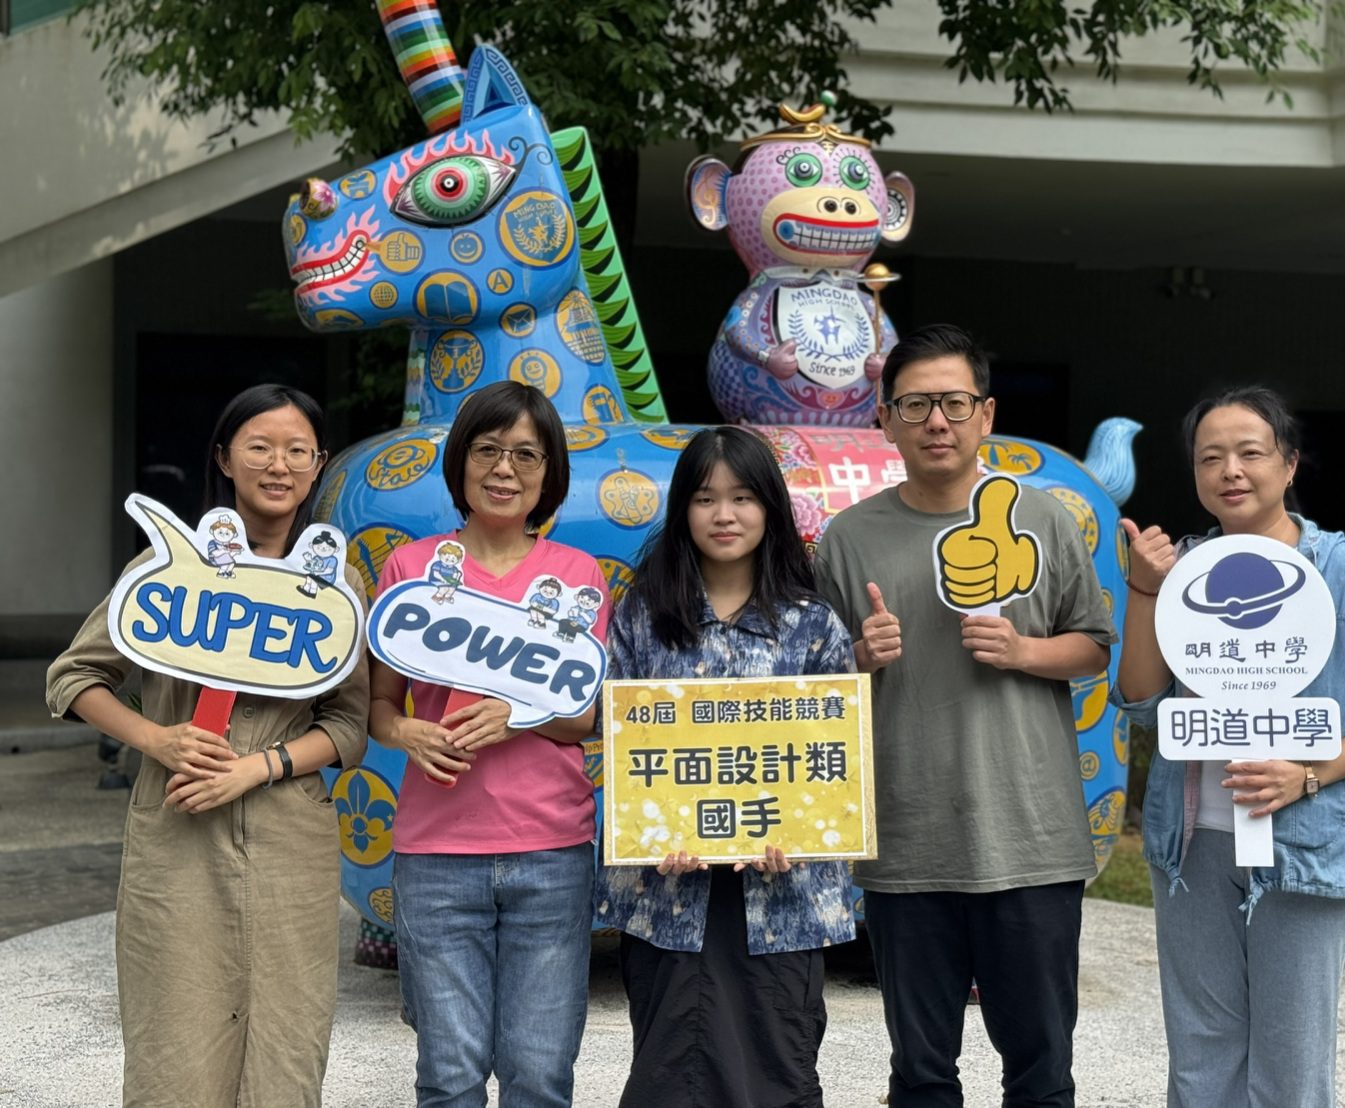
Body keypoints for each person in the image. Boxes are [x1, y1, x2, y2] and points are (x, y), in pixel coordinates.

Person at [813, 323, 1115, 1108]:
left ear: (985, 414)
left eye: (953, 402)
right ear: (884, 421)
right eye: (914, 405)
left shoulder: (1042, 518)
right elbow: (814, 689)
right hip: (906, 841)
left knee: (1041, 1074)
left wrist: (1022, 651)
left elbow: (1092, 647)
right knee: (920, 1075)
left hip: (1032, 839)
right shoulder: (848, 538)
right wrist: (858, 657)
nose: (936, 422)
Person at [45, 383, 370, 1108]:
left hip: (291, 841)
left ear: (318, 465)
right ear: (224, 458)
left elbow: (349, 725)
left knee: (286, 1052)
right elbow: (72, 677)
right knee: (174, 1052)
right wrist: (156, 739)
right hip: (177, 834)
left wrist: (258, 768)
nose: (279, 465)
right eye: (260, 447)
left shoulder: (337, 585)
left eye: (298, 451)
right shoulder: (165, 568)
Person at [1113, 385, 1345, 1108]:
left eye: (1249, 453)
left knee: (1291, 1065)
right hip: (1193, 844)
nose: (1230, 470)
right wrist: (1144, 590)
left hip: (1307, 848)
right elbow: (1142, 702)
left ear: (1288, 464)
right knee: (1200, 1058)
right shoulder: (1178, 570)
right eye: (1210, 457)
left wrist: (1306, 775)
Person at [594, 425, 856, 1108]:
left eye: (742, 497)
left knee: (778, 1071)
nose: (724, 515)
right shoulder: (643, 616)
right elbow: (621, 742)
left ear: (769, 508)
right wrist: (654, 831)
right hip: (666, 894)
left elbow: (834, 762)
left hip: (784, 895)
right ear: (682, 509)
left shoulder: (813, 625)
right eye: (705, 498)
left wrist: (799, 833)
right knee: (669, 1075)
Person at [369, 381, 608, 1108]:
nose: (505, 469)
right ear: (461, 462)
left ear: (549, 472)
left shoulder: (577, 577)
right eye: (488, 450)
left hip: (551, 849)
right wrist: (405, 730)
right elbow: (378, 707)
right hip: (435, 853)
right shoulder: (411, 570)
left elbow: (587, 718)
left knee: (540, 1076)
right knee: (449, 1076)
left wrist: (519, 714)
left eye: (526, 455)